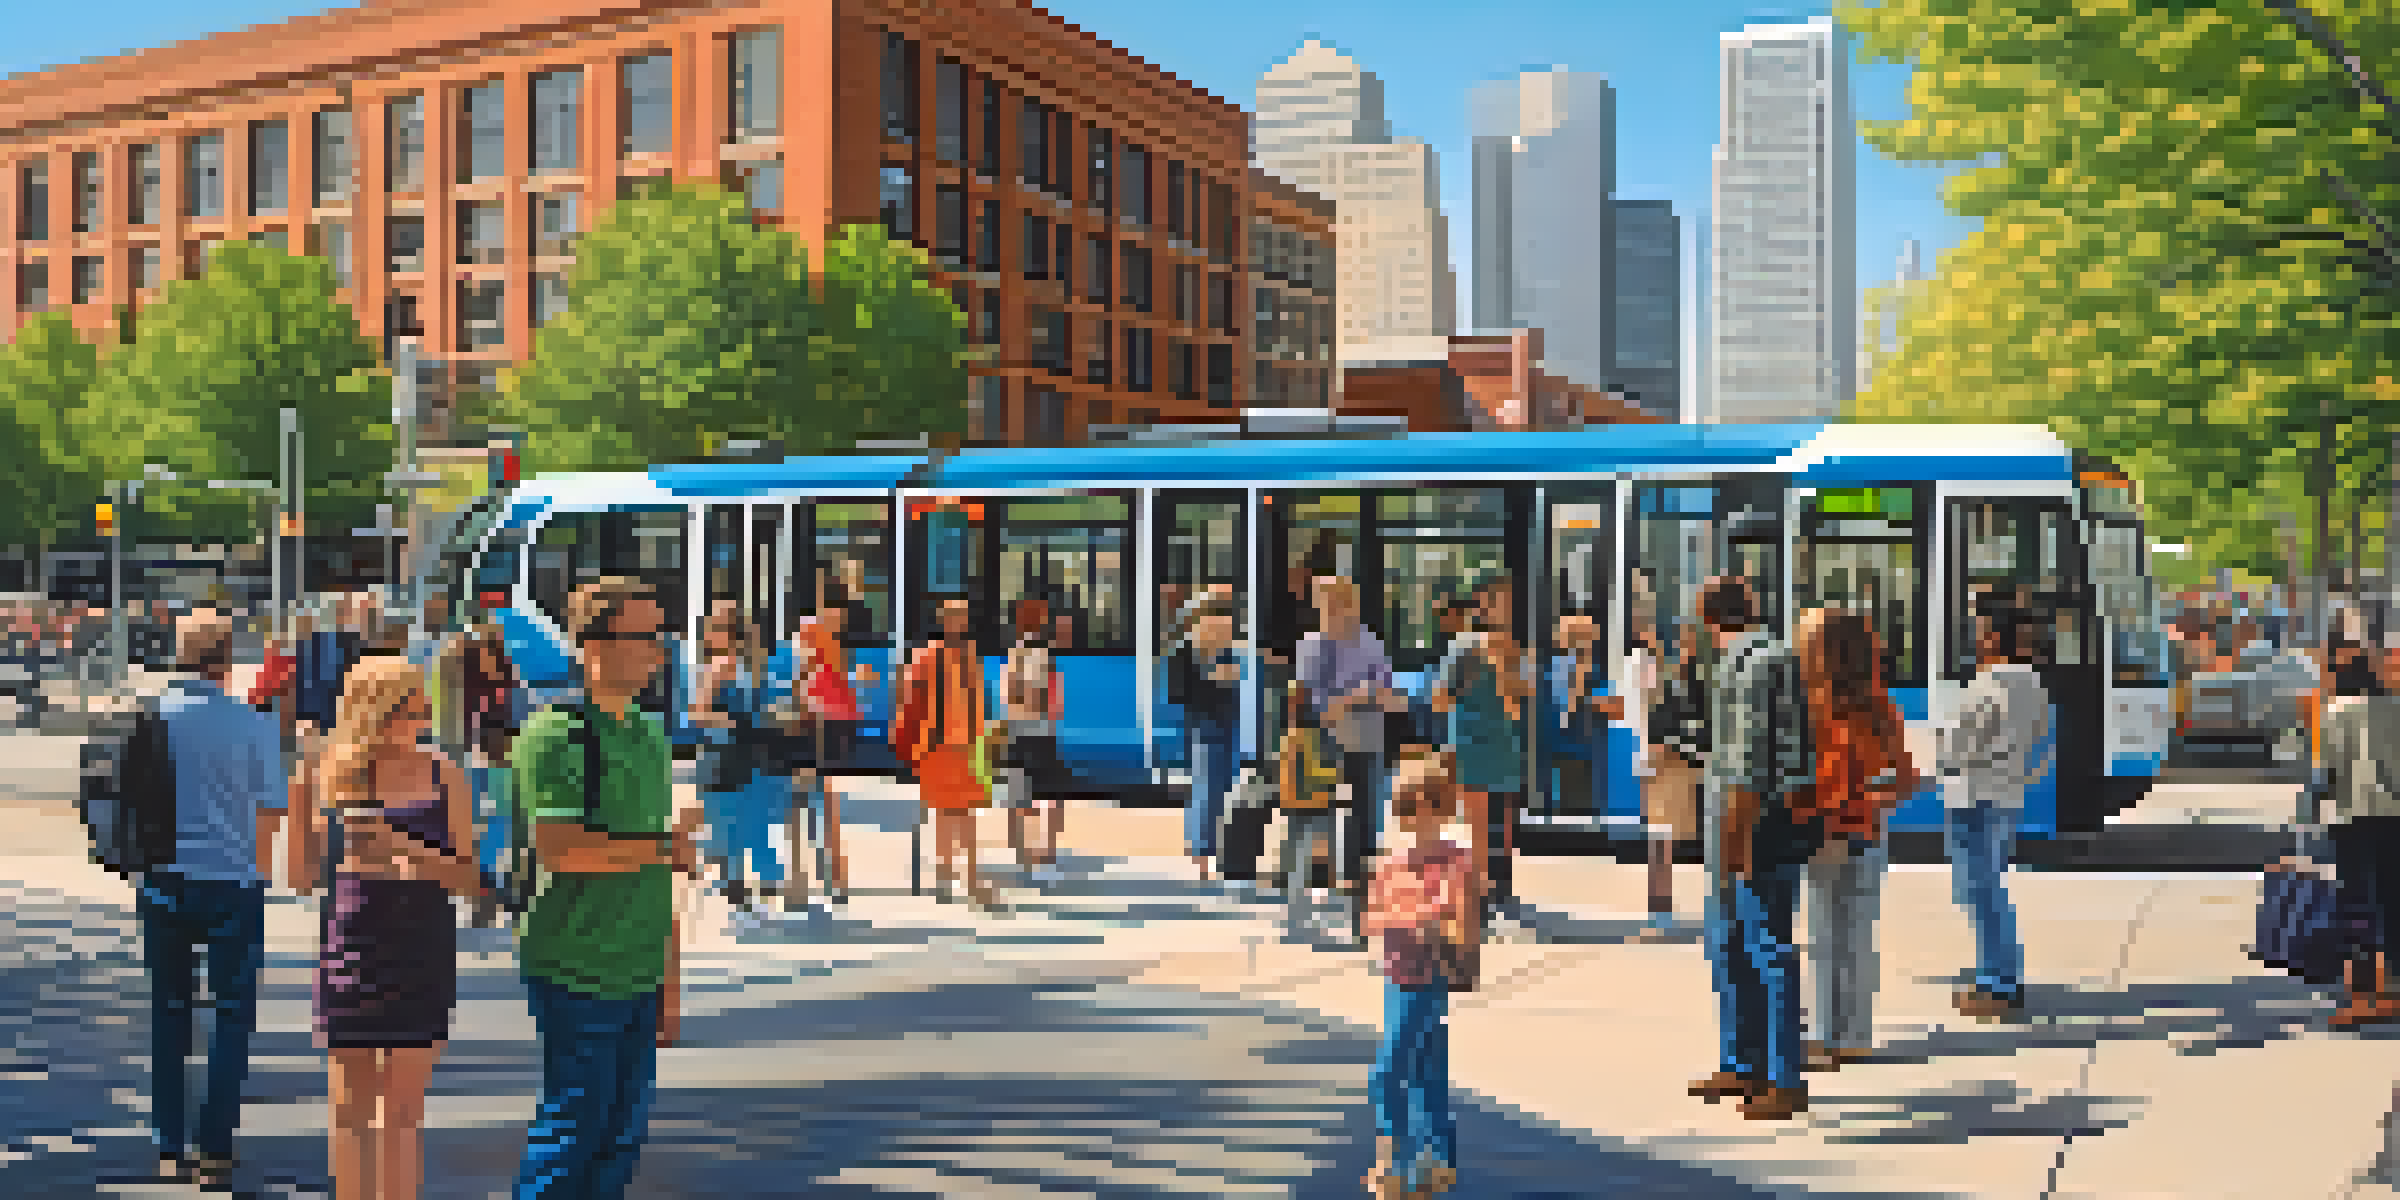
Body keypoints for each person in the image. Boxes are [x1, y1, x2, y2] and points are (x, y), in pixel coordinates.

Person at [510, 576, 703, 1198]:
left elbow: (658, 872)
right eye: (645, 637)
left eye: (660, 637)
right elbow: (561, 851)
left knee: (621, 1137)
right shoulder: (554, 733)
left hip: (639, 969)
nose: (659, 652)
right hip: (576, 965)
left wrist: (669, 982)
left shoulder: (650, 733)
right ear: (594, 646)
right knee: (573, 1131)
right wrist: (664, 849)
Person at [293, 656, 481, 1200]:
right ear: (369, 713)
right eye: (406, 708)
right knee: (349, 1112)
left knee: (402, 1115)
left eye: (421, 706)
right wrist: (303, 798)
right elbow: (301, 879)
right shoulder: (325, 770)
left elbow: (469, 878)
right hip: (349, 948)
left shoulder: (442, 772)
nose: (419, 718)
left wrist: (400, 844)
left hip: (422, 946)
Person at [141, 610, 288, 1187]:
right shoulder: (251, 724)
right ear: (227, 659)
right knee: (231, 1017)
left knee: (168, 1012)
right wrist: (253, 867)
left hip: (163, 879)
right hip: (232, 881)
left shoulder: (150, 716)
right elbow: (271, 809)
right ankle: (216, 1149)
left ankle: (168, 1144)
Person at [1687, 575, 1819, 1121]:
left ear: (1706, 616)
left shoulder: (1749, 668)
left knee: (1762, 948)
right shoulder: (1770, 658)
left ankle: (1782, 1079)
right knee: (1732, 947)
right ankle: (1743, 1064)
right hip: (1765, 822)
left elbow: (1745, 770)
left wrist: (1732, 852)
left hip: (1751, 828)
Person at [1794, 609, 1918, 1073]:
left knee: (1822, 937)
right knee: (1859, 937)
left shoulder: (1805, 706)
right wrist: (1866, 797)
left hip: (1821, 832)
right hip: (1867, 834)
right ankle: (1856, 1036)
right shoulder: (1882, 708)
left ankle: (1822, 1038)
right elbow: (1907, 780)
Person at [1362, 748, 1473, 1198]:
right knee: (1426, 1069)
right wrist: (1417, 915)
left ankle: (1394, 1160)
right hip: (1396, 974)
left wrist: (1421, 917)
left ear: (1436, 807)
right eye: (1397, 806)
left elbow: (1460, 926)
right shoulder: (1392, 857)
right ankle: (1438, 1162)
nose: (1401, 814)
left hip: (1429, 976)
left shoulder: (1454, 860)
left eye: (1409, 805)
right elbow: (1373, 916)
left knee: (1389, 1070)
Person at [1936, 602, 2053, 1022]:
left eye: (1980, 632)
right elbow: (2042, 742)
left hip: (1973, 796)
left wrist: (1937, 743)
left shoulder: (1989, 687)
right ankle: (2000, 975)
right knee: (1989, 886)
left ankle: (2000, 983)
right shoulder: (2034, 686)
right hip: (2007, 796)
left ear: (1992, 640)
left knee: (1977, 891)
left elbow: (1955, 746)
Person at [1297, 576, 1407, 944]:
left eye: (1332, 603)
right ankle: (1320, 878)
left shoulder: (1371, 647)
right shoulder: (1309, 646)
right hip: (1322, 739)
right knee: (1320, 809)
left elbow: (1390, 696)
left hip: (1363, 738)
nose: (1326, 611)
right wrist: (1356, 697)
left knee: (1362, 808)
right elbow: (1309, 697)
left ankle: (1356, 878)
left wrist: (1351, 699)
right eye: (1322, 604)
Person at [2303, 634, 2400, 1028]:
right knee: (2393, 902)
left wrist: (2311, 810)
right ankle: (2393, 987)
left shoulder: (2334, 713)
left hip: (2352, 818)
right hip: (2394, 817)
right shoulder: (2394, 709)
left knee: (2357, 905)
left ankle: (2362, 996)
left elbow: (2324, 772)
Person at [1432, 577, 1536, 932]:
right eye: (1494, 600)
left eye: (1506, 600)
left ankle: (1501, 890)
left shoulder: (1517, 649)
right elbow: (1440, 698)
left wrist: (1509, 674)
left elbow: (1521, 702)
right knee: (1476, 824)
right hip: (1472, 743)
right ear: (1482, 605)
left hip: (1505, 743)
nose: (1500, 607)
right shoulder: (1463, 647)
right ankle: (1478, 895)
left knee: (1503, 823)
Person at [897, 595, 998, 909]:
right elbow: (911, 702)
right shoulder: (928, 656)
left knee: (967, 814)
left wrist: (987, 739)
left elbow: (980, 703)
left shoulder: (970, 657)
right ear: (943, 620)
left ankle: (969, 878)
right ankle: (945, 877)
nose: (960, 622)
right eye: (954, 616)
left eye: (964, 617)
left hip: (970, 746)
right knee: (944, 814)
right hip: (937, 747)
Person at [691, 604, 784, 918]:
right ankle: (762, 894)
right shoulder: (757, 666)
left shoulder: (719, 665)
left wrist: (732, 723)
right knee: (754, 826)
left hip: (724, 755)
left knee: (727, 828)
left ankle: (738, 898)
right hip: (754, 755)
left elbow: (699, 714)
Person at [1172, 589, 1243, 883]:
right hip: (1203, 724)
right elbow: (1179, 692)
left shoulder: (1226, 649)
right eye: (1219, 614)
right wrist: (1212, 677)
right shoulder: (1186, 650)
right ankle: (1203, 856)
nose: (1227, 622)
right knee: (1206, 787)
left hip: (1228, 723)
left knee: (1224, 786)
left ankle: (1216, 851)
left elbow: (1236, 684)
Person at [1000, 596, 1066, 881]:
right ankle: (1047, 854)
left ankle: (1020, 854)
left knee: (1017, 795)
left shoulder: (1013, 656)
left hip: (1017, 730)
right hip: (1042, 732)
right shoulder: (1047, 657)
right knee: (1050, 795)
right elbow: (1056, 704)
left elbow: (1007, 699)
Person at [1278, 678, 1345, 942]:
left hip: (1295, 807)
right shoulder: (1310, 736)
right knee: (1307, 865)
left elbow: (1284, 774)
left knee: (1297, 865)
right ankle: (1299, 920)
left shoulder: (1288, 735)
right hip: (1315, 805)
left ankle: (1295, 919)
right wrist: (1338, 773)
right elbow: (1316, 770)